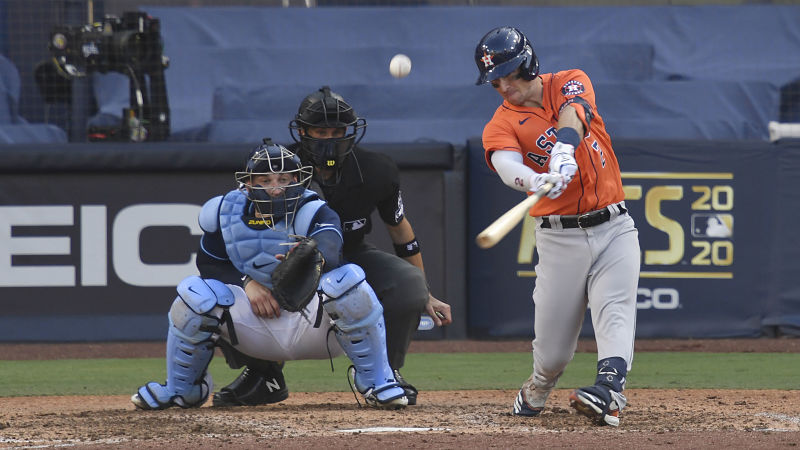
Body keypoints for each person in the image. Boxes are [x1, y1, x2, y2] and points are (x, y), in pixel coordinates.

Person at [212, 86, 452, 408]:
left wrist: (426, 291)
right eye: (320, 131)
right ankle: (262, 375)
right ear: (303, 132)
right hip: (284, 258)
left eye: (337, 131)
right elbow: (240, 238)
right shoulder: (276, 169)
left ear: (350, 132)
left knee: (410, 284)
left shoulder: (377, 169)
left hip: (351, 254)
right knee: (223, 290)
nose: (329, 139)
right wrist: (250, 280)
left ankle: (385, 372)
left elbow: (400, 229)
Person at [131, 139, 408, 411]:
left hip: (312, 324)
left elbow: (331, 249)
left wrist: (308, 257)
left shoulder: (314, 209)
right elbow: (209, 264)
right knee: (193, 294)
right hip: (255, 325)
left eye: (284, 180)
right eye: (265, 180)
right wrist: (247, 283)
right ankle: (182, 390)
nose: (276, 189)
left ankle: (377, 383)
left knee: (349, 281)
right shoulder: (224, 212)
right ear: (248, 183)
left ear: (298, 180)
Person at [474, 27, 640, 426]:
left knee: (614, 308)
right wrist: (533, 180)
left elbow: (574, 111)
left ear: (528, 64)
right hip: (558, 236)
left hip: (614, 225)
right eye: (496, 80)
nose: (503, 86)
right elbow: (505, 165)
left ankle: (609, 390)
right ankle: (537, 389)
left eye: (509, 75)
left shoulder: (570, 80)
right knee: (552, 353)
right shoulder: (500, 124)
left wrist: (564, 149)